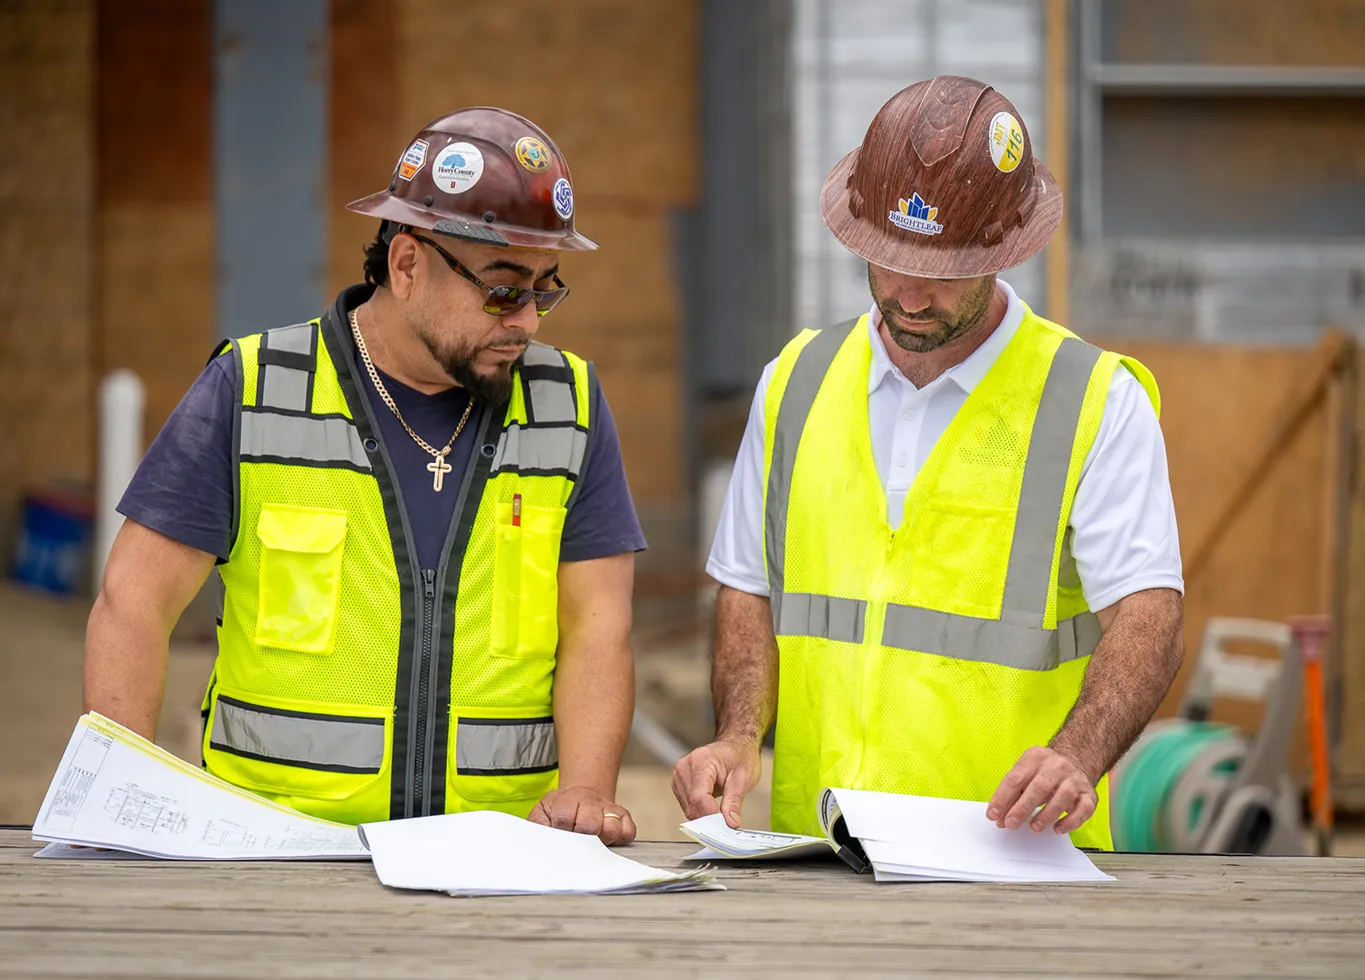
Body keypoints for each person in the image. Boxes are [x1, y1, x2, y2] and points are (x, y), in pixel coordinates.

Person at [84, 108, 646, 845]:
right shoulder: (251, 388)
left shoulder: (567, 406)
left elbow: (598, 625)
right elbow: (134, 601)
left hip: (497, 858)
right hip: (271, 851)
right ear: (407, 264)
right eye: (505, 289)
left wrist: (583, 793)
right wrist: (119, 794)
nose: (529, 323)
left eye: (545, 289)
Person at [672, 75, 1184, 849]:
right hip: (821, 852)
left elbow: (1147, 616)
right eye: (886, 260)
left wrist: (1075, 757)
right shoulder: (797, 381)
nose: (909, 294)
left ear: (1002, 248)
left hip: (1013, 856)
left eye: (941, 270)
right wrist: (739, 735)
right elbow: (749, 589)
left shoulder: (1093, 400)